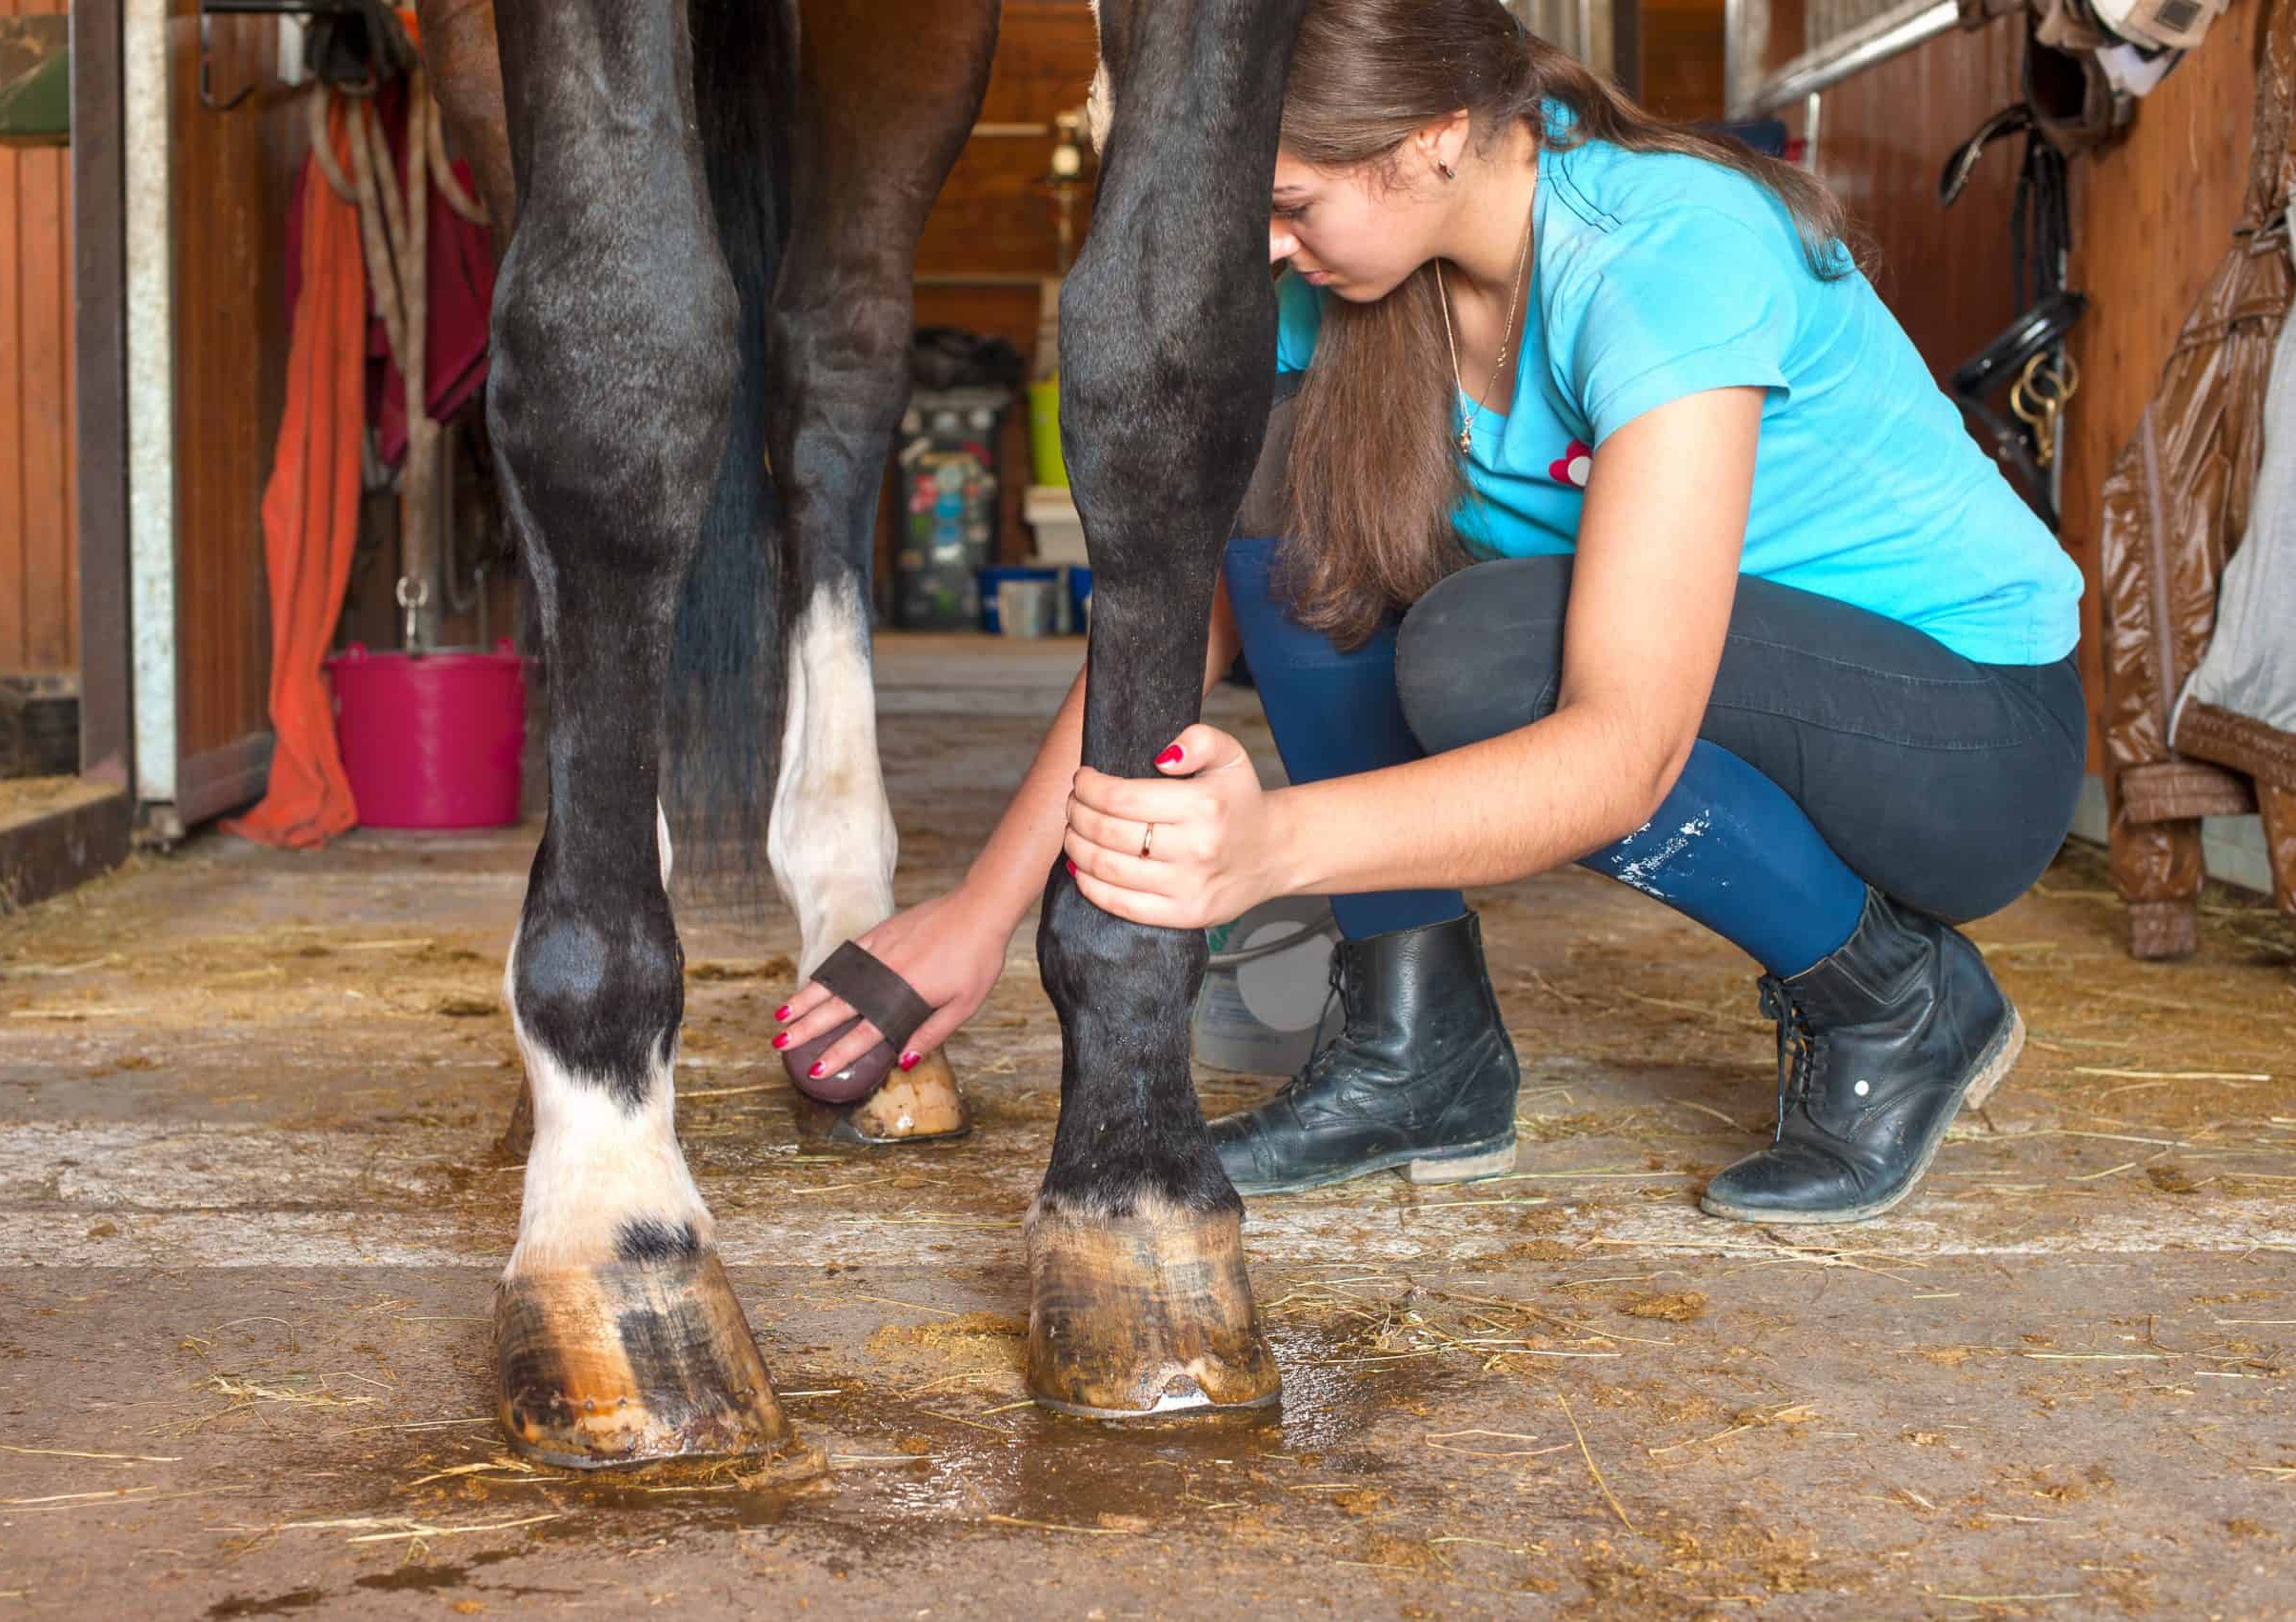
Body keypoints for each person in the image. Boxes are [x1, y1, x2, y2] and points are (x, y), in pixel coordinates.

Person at [770, 0, 2087, 1226]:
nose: (1270, 243)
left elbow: (1620, 752)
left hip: (1963, 736)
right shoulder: (1345, 288)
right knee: (1283, 513)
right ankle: (1419, 1047)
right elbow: (1193, 610)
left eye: (1290, 202)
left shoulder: (1667, 250)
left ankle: (1891, 998)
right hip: (1725, 691)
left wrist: (1271, 845)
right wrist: (982, 915)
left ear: (1438, 138)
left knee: (1482, 657)